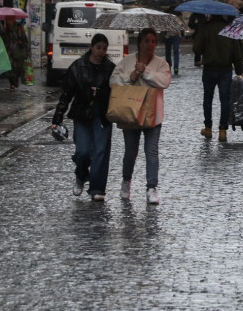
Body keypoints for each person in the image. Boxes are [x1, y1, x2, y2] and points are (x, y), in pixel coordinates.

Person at [111, 28, 173, 204]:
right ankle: (126, 180)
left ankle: (151, 187)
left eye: (153, 41)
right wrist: (130, 77)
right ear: (140, 42)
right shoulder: (127, 61)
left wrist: (145, 71)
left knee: (151, 151)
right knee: (131, 152)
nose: (150, 45)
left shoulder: (161, 63)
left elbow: (165, 81)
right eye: (147, 41)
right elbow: (114, 81)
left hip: (153, 114)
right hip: (130, 113)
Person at [52, 33, 116, 201]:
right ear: (92, 47)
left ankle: (97, 188)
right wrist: (57, 119)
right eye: (98, 47)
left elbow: (117, 92)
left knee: (101, 152)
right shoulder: (78, 66)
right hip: (82, 114)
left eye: (104, 48)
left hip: (102, 114)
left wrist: (102, 93)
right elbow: (66, 94)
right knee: (83, 151)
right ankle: (81, 175)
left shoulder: (110, 68)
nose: (101, 51)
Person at [193, 13, 243, 142]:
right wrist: (239, 71)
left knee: (208, 99)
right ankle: (222, 130)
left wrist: (205, 50)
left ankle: (208, 128)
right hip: (225, 69)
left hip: (209, 68)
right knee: (225, 100)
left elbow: (196, 48)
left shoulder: (205, 28)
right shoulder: (229, 29)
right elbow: (237, 53)